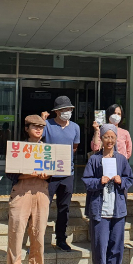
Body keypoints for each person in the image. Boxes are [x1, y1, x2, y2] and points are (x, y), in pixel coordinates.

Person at [82, 124, 133, 264]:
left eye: (112, 137)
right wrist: (99, 181)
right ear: (101, 139)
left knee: (116, 243)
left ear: (116, 139)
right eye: (106, 137)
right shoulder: (94, 159)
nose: (109, 140)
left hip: (117, 208)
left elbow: (130, 178)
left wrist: (121, 181)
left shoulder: (121, 159)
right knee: (99, 243)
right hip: (100, 207)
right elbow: (86, 180)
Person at [5, 115, 51, 264]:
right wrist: (29, 174)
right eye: (34, 127)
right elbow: (11, 174)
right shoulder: (18, 148)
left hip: (42, 190)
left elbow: (56, 171)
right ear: (26, 128)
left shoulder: (48, 149)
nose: (38, 130)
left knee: (38, 235)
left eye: (41, 127)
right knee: (16, 234)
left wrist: (46, 175)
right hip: (21, 191)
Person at [41, 95, 80, 252]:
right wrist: (41, 120)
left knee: (64, 208)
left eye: (69, 109)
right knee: (43, 207)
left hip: (67, 174)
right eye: (64, 109)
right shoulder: (47, 125)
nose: (67, 112)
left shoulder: (75, 127)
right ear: (56, 112)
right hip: (49, 175)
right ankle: (38, 240)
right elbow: (37, 143)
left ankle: (61, 239)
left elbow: (75, 147)